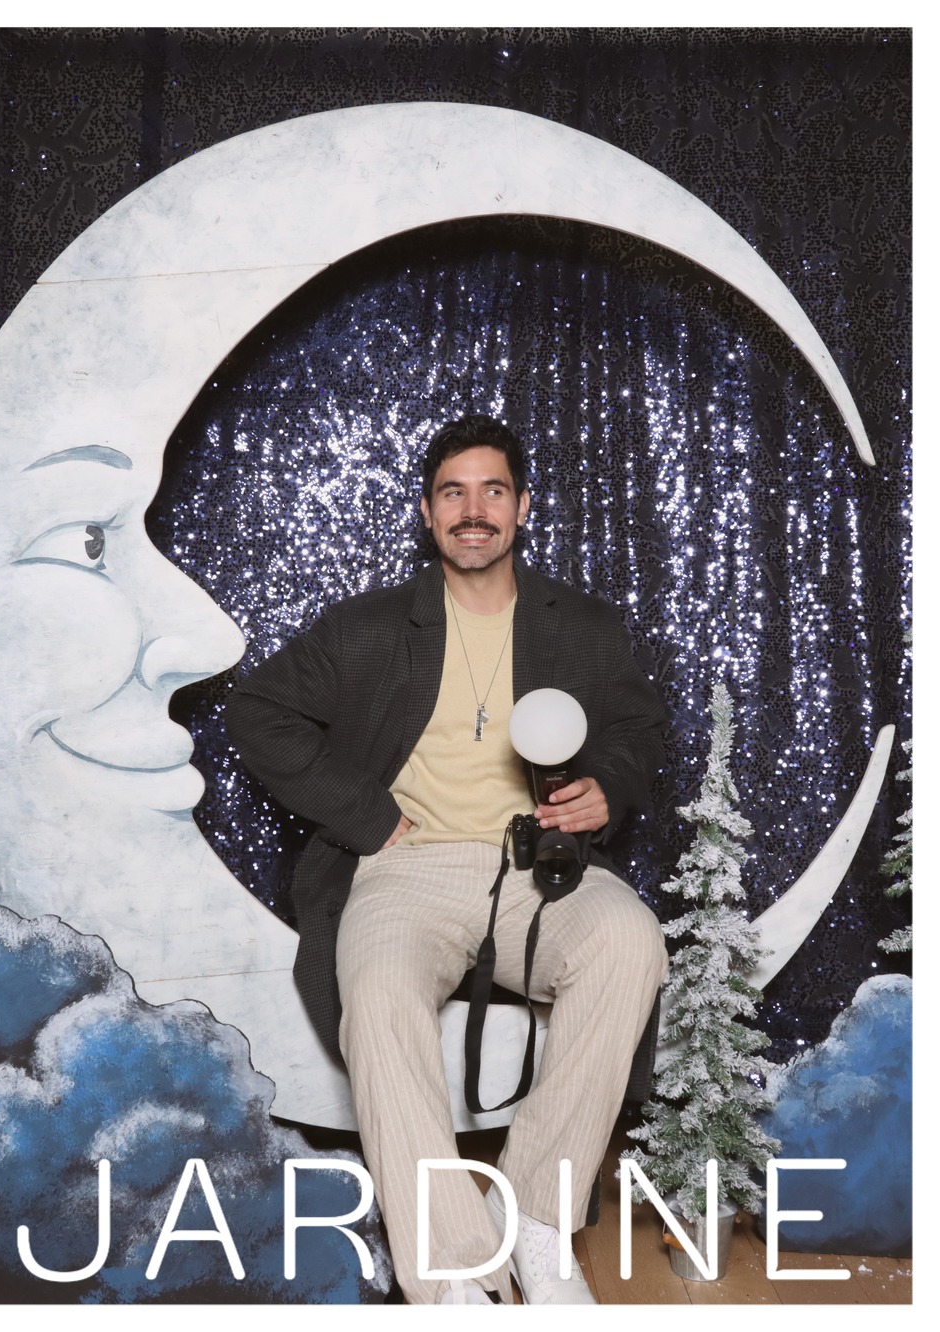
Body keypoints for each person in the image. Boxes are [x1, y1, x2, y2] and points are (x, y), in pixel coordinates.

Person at [227, 414, 668, 1304]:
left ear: (522, 507)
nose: (474, 510)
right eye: (453, 493)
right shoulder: (369, 627)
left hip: (540, 867)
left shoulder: (582, 626)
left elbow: (638, 732)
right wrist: (368, 816)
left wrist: (608, 791)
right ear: (428, 513)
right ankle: (455, 1272)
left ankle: (538, 1220)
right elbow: (257, 711)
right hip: (407, 867)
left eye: (492, 491)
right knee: (379, 991)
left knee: (630, 942)